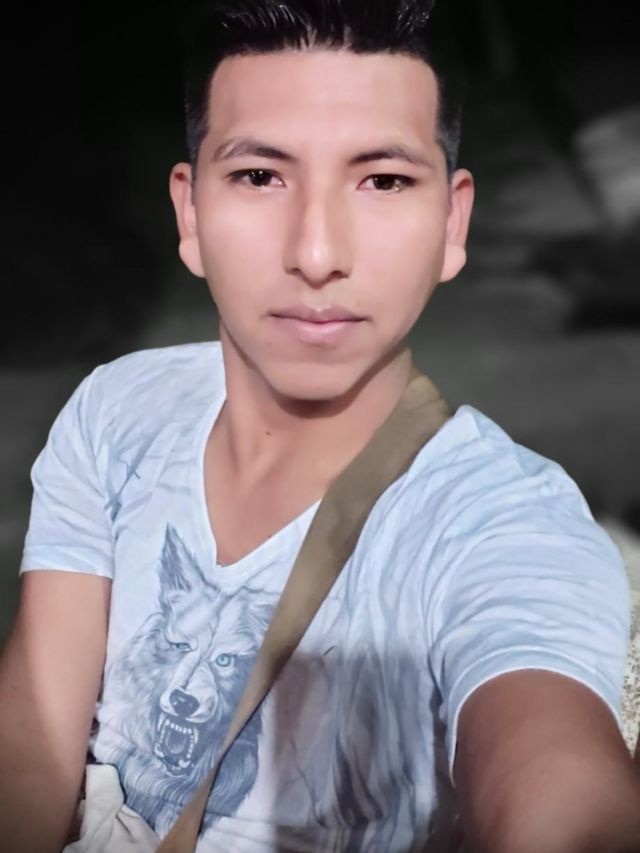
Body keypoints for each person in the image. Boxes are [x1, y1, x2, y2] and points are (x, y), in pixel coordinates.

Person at [1, 1, 639, 851]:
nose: (315, 253)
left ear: (453, 226)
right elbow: (35, 735)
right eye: (259, 176)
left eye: (383, 181)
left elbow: (557, 780)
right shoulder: (118, 408)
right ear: (190, 216)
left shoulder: (500, 522)